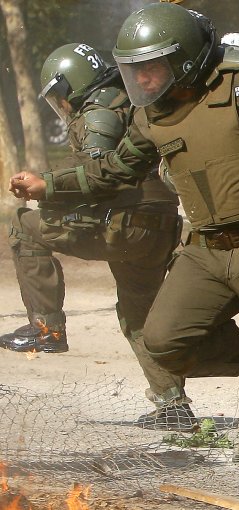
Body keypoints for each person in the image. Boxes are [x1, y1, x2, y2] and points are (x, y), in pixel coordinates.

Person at [9, 4, 239, 506]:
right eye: (134, 70)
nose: (142, 80)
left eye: (151, 67)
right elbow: (113, 170)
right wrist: (50, 186)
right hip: (206, 248)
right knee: (164, 342)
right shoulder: (150, 114)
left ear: (187, 59)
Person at [2, 43, 198, 432]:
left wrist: (46, 185)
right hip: (156, 227)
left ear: (72, 84)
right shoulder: (132, 101)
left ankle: (47, 327)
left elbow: (98, 173)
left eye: (60, 96)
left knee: (22, 225)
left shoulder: (99, 112)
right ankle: (172, 405)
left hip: (125, 224)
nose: (61, 104)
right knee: (137, 312)